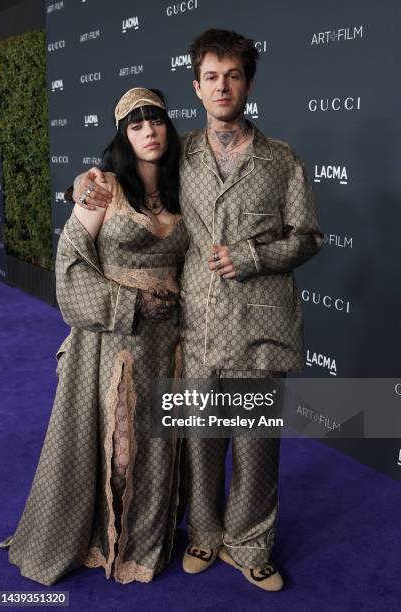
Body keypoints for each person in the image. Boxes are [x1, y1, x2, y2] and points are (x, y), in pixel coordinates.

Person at [71, 29, 323, 592]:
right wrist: (87, 184)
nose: (223, 86)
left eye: (233, 75)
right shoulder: (179, 151)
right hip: (196, 325)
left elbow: (307, 237)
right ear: (197, 86)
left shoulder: (283, 160)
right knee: (202, 441)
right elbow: (129, 176)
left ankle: (251, 545)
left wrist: (252, 255)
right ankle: (206, 536)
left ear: (249, 83)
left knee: (255, 445)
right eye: (212, 77)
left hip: (260, 324)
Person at [0, 87, 189, 586]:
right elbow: (70, 265)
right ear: (123, 135)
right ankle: (105, 538)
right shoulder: (103, 186)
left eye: (157, 122)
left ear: (169, 126)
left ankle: (145, 546)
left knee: (159, 440)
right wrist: (130, 303)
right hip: (114, 340)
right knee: (119, 445)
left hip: (171, 341)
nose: (149, 132)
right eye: (136, 125)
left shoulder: (183, 183)